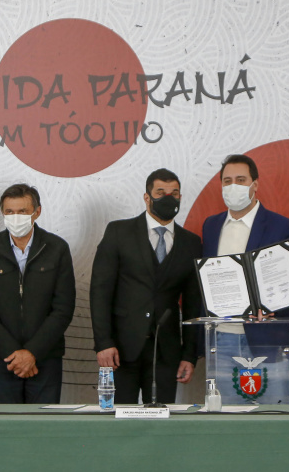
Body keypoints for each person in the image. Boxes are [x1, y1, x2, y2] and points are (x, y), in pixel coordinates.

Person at [90, 168, 201, 404]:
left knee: (162, 426)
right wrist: (103, 342)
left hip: (167, 352)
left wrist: (189, 355)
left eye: (175, 193)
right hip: (120, 350)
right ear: (147, 197)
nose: (168, 198)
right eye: (161, 192)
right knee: (118, 423)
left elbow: (194, 305)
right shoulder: (118, 232)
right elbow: (100, 291)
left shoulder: (191, 243)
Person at [201, 154, 289, 404]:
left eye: (240, 179)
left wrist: (272, 306)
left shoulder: (282, 226)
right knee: (225, 419)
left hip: (267, 337)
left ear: (255, 184)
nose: (233, 186)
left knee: (274, 417)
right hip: (222, 337)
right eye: (227, 181)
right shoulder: (211, 226)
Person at [0, 184, 76, 404]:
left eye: (22, 211)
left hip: (45, 358)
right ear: (2, 213)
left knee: (43, 431)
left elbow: (63, 308)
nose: (15, 217)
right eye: (9, 212)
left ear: (36, 212)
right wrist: (13, 354)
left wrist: (31, 353)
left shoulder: (57, 248)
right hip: (3, 359)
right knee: (6, 429)